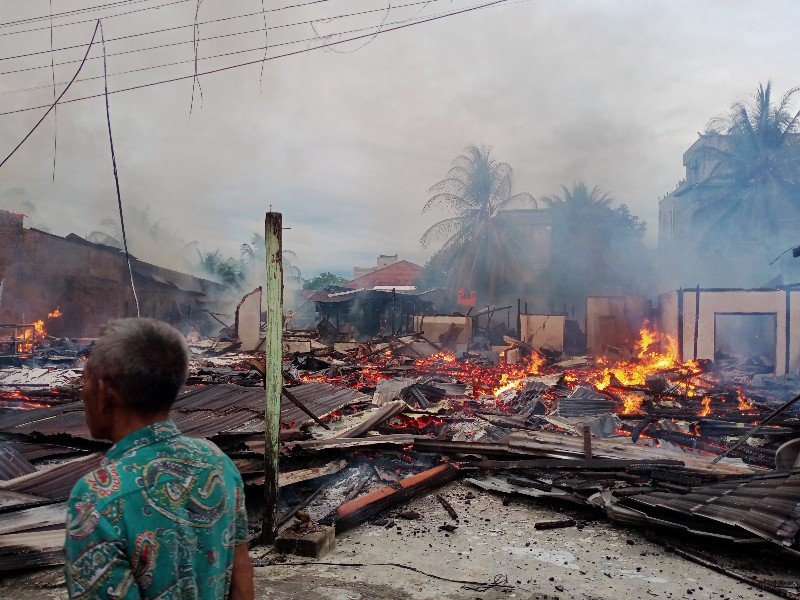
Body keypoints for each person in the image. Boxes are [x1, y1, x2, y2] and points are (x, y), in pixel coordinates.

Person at [64, 318, 254, 599]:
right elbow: (241, 578)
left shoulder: (96, 498)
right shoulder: (216, 463)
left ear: (106, 393)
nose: (83, 393)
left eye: (85, 381)